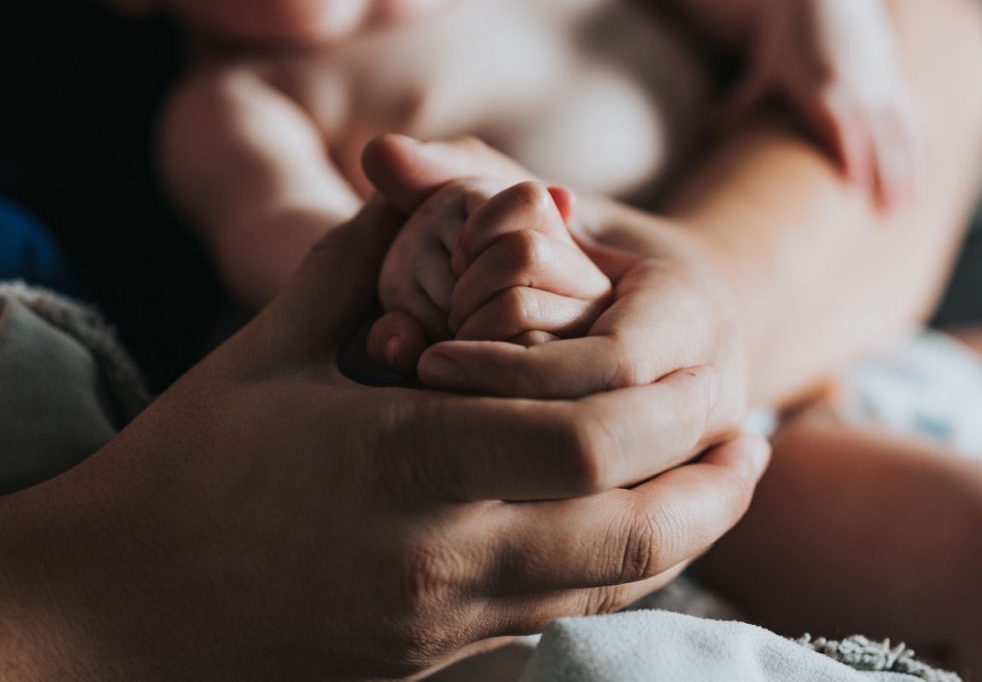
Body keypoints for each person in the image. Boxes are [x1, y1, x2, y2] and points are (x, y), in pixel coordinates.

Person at [0, 195, 770, 680]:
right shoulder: (235, 101)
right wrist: (428, 255)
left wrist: (680, 276)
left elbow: (865, 172)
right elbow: (297, 242)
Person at [151, 0, 917, 309]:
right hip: (555, 381)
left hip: (777, 324)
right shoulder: (238, 98)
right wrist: (407, 261)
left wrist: (824, 17)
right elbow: (293, 246)